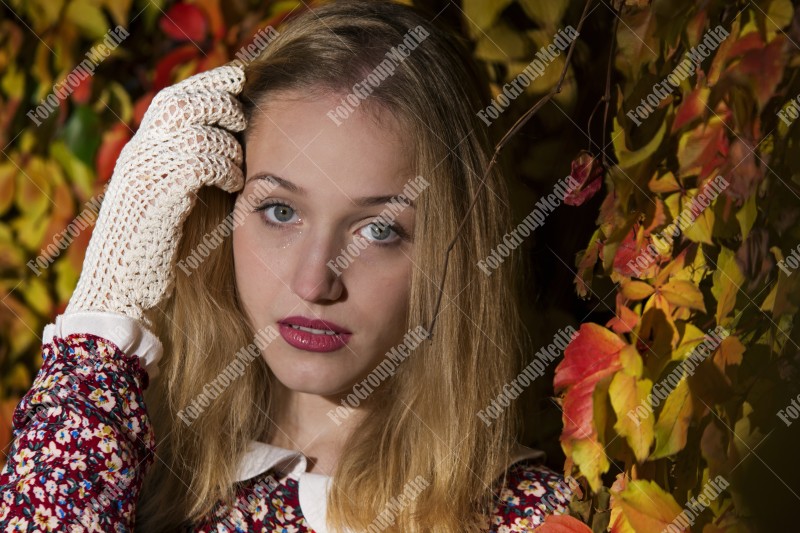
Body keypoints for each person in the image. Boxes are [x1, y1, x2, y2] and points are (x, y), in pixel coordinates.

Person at [0, 1, 573, 531]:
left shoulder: (524, 516)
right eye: (279, 211)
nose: (313, 282)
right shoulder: (128, 464)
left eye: (379, 229)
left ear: (451, 250)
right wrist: (106, 314)